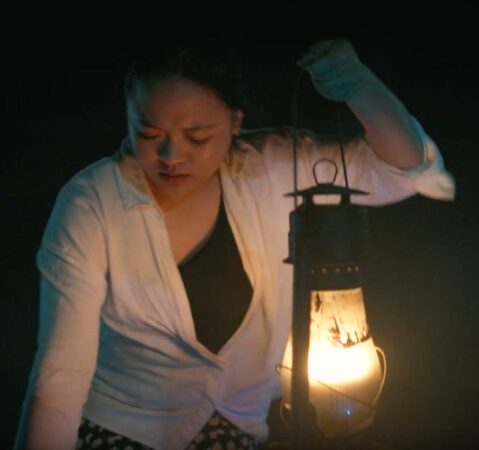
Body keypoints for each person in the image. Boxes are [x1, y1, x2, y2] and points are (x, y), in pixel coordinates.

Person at [13, 36, 456, 450]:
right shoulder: (92, 204)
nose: (170, 157)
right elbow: (59, 380)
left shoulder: (272, 169)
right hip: (123, 432)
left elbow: (403, 169)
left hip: (236, 433)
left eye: (198, 137)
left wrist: (359, 86)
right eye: (148, 134)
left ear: (235, 122)